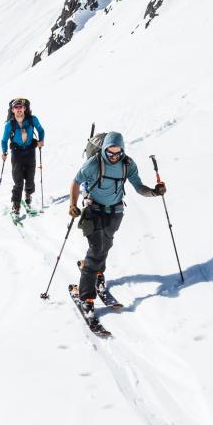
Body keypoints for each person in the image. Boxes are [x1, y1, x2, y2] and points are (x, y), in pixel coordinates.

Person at [68, 131, 165, 311]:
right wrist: (72, 204)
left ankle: (97, 272)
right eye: (110, 152)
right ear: (104, 149)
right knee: (96, 249)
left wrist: (154, 192)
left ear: (122, 150)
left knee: (106, 245)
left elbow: (138, 187)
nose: (113, 156)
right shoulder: (94, 163)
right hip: (93, 210)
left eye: (117, 152)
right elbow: (75, 182)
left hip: (115, 212)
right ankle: (86, 297)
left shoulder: (127, 164)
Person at [0, 98, 45, 218]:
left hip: (30, 151)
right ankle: (16, 204)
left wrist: (41, 140)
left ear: (25, 108)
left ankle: (28, 195)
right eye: (16, 108)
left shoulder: (32, 119)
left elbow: (41, 130)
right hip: (17, 153)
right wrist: (4, 152)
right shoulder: (10, 124)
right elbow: (4, 140)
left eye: (21, 107)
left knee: (30, 178)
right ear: (13, 110)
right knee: (18, 180)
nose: (19, 110)